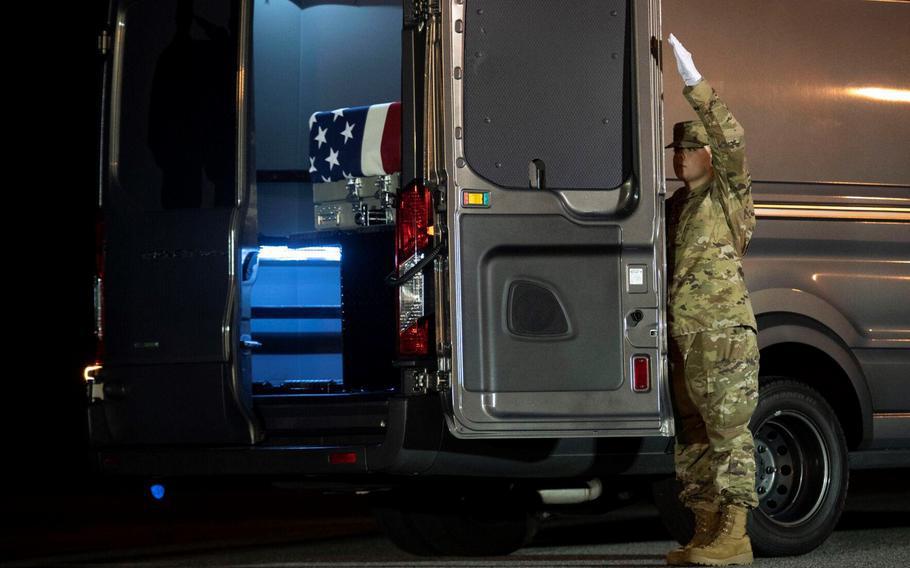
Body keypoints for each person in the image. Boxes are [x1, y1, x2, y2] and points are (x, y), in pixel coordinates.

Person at [663, 34, 760, 566]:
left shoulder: (729, 194)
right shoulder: (677, 206)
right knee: (694, 437)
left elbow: (733, 139)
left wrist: (693, 83)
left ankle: (737, 535)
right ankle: (705, 528)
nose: (679, 158)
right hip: (686, 337)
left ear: (708, 155)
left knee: (728, 433)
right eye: (675, 150)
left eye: (687, 149)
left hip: (722, 333)